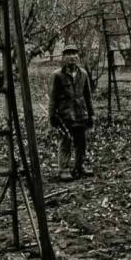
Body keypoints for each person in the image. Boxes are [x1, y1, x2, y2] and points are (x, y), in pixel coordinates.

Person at [49, 44, 95, 182]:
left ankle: (79, 166)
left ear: (78, 57)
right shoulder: (57, 75)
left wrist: (92, 114)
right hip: (65, 115)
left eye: (74, 54)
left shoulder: (83, 74)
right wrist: (52, 116)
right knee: (66, 141)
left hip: (81, 113)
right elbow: (52, 98)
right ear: (63, 57)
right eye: (68, 54)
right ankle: (64, 169)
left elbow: (88, 96)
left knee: (81, 142)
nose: (72, 57)